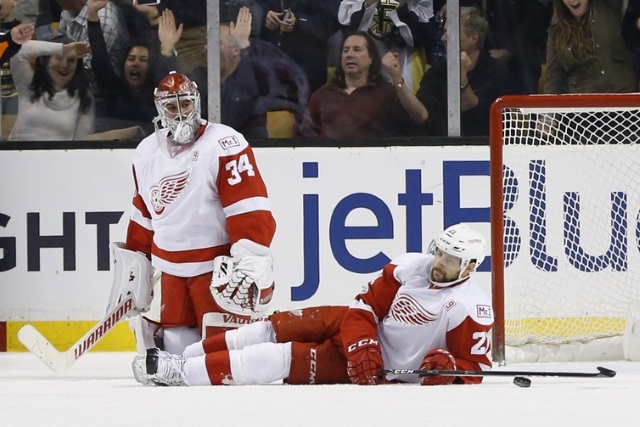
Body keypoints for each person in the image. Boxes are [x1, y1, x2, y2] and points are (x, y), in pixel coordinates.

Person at [141, 223, 494, 387]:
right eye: (441, 252)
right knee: (275, 326)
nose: (439, 262)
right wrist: (363, 342)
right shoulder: (410, 266)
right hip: (358, 331)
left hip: (374, 368)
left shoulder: (470, 306)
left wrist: (448, 370)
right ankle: (188, 354)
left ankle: (182, 374)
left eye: (451, 260)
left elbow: (474, 366)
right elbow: (365, 308)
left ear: (470, 267)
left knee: (278, 359)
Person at [109, 71, 277, 384]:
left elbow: (249, 206)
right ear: (160, 109)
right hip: (171, 271)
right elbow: (144, 214)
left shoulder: (225, 143)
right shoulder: (146, 152)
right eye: (172, 107)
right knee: (175, 344)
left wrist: (251, 257)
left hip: (213, 270)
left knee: (219, 352)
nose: (181, 112)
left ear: (196, 102)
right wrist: (137, 269)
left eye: (185, 103)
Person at [156, 7, 309, 138]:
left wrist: (244, 46)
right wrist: (167, 49)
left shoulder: (251, 78)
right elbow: (170, 92)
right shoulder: (200, 78)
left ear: (235, 50)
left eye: (217, 43)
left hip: (249, 147)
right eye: (207, 43)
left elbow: (256, 87)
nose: (207, 48)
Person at [394, 6, 512, 136]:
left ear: (473, 38)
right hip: (441, 147)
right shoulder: (437, 71)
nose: (443, 38)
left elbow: (471, 110)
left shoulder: (496, 73)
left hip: (483, 148)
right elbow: (421, 115)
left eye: (451, 33)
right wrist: (398, 81)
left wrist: (461, 74)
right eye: (444, 32)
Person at [303, 31, 415, 138]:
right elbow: (305, 137)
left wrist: (396, 78)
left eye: (357, 50)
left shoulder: (387, 92)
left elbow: (416, 122)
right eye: (345, 50)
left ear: (371, 58)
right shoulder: (322, 95)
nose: (349, 55)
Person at [87, 0, 156, 134]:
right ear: (123, 63)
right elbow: (100, 57)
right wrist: (92, 15)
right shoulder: (114, 90)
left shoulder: (157, 95)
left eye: (143, 60)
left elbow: (162, 58)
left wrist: (153, 18)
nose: (135, 63)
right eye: (131, 59)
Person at [338, 0, 439, 92]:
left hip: (406, 69)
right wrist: (368, 4)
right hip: (365, 78)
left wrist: (402, 7)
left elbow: (423, 35)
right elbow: (347, 29)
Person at [8, 36, 94, 140]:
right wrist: (63, 49)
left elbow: (80, 143)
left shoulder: (83, 97)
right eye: (59, 57)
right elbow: (17, 48)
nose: (65, 65)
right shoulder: (29, 83)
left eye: (71, 60)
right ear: (47, 61)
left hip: (57, 155)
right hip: (17, 154)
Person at [543, 0, 637, 94]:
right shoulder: (555, 34)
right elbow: (553, 79)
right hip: (585, 102)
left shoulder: (609, 7)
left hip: (624, 96)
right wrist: (548, 107)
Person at [254, 0, 341, 94]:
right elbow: (245, 6)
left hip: (308, 71)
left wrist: (298, 21)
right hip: (266, 68)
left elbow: (330, 23)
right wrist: (263, 14)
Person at [57, 0, 130, 74]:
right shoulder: (69, 7)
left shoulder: (104, 20)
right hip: (73, 66)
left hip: (101, 77)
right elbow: (60, 39)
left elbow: (88, 67)